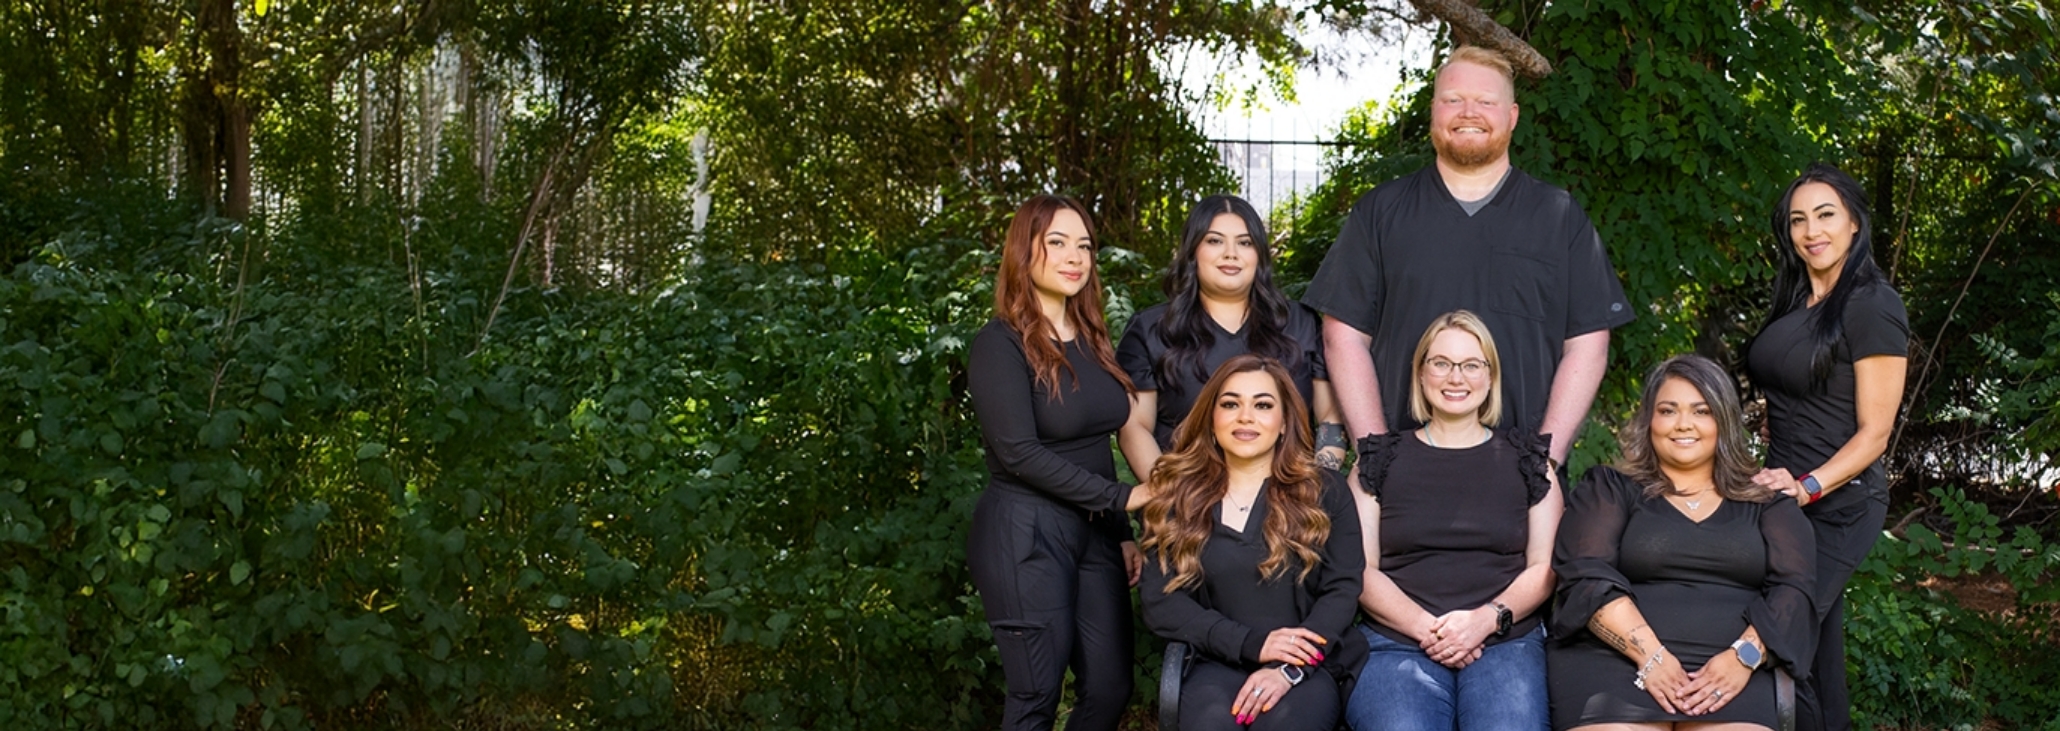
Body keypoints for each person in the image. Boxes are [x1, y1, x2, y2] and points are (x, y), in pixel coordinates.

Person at [1302, 45, 1634, 472]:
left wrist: (1545, 460)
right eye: (1453, 100)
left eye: (1485, 101)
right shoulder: (1381, 212)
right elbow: (1343, 336)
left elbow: (1588, 345)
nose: (1468, 111)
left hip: (1521, 480)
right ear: (1433, 112)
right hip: (1401, 478)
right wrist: (1376, 454)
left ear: (1512, 116)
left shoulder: (1558, 217)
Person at [1549, 355, 1818, 731]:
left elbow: (1794, 589)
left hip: (1732, 673)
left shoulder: (1768, 501)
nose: (1683, 424)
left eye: (1701, 411)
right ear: (1649, 420)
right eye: (1668, 410)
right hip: (1617, 663)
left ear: (1723, 421)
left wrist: (1743, 657)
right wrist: (1651, 657)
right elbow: (1585, 576)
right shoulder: (1610, 489)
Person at [966, 194, 1153, 731]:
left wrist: (1119, 530)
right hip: (1026, 533)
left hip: (1095, 532)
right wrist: (1126, 497)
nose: (1075, 257)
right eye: (1057, 243)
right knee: (1036, 696)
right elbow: (1019, 453)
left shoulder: (1093, 340)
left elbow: (1098, 443)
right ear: (1025, 251)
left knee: (1110, 688)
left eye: (1085, 246)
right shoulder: (999, 344)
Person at [1743, 163, 1909, 731]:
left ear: (1856, 224)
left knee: (1780, 641)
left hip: (1838, 505)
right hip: (1783, 500)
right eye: (1798, 219)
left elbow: (1876, 432)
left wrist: (1808, 484)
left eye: (1825, 214)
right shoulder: (1800, 300)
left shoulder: (1872, 304)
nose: (1811, 230)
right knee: (1813, 658)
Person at [1344, 310, 1562, 731]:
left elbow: (1546, 567)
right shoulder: (1378, 461)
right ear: (1421, 373)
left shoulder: (1529, 461)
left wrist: (1484, 620)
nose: (1455, 378)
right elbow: (1359, 570)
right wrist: (1430, 630)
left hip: (1505, 640)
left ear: (1490, 377)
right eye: (1441, 363)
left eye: (1471, 365)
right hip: (1397, 642)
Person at [1138, 354, 1366, 731]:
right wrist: (1251, 644)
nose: (1246, 416)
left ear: (1284, 424)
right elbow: (1161, 602)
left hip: (1305, 667)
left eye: (1263, 405)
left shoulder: (1324, 492)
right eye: (1230, 404)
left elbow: (1342, 590)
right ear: (1212, 420)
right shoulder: (1180, 497)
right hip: (1214, 663)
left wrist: (1288, 669)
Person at [1119, 195, 1348, 482]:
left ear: (1259, 255)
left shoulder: (1301, 323)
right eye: (1215, 241)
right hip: (1186, 506)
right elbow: (1134, 426)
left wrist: (1317, 489)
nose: (1231, 253)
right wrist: (1167, 498)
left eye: (1245, 242)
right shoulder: (1150, 329)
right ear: (1192, 251)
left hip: (1289, 506)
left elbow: (1329, 415)